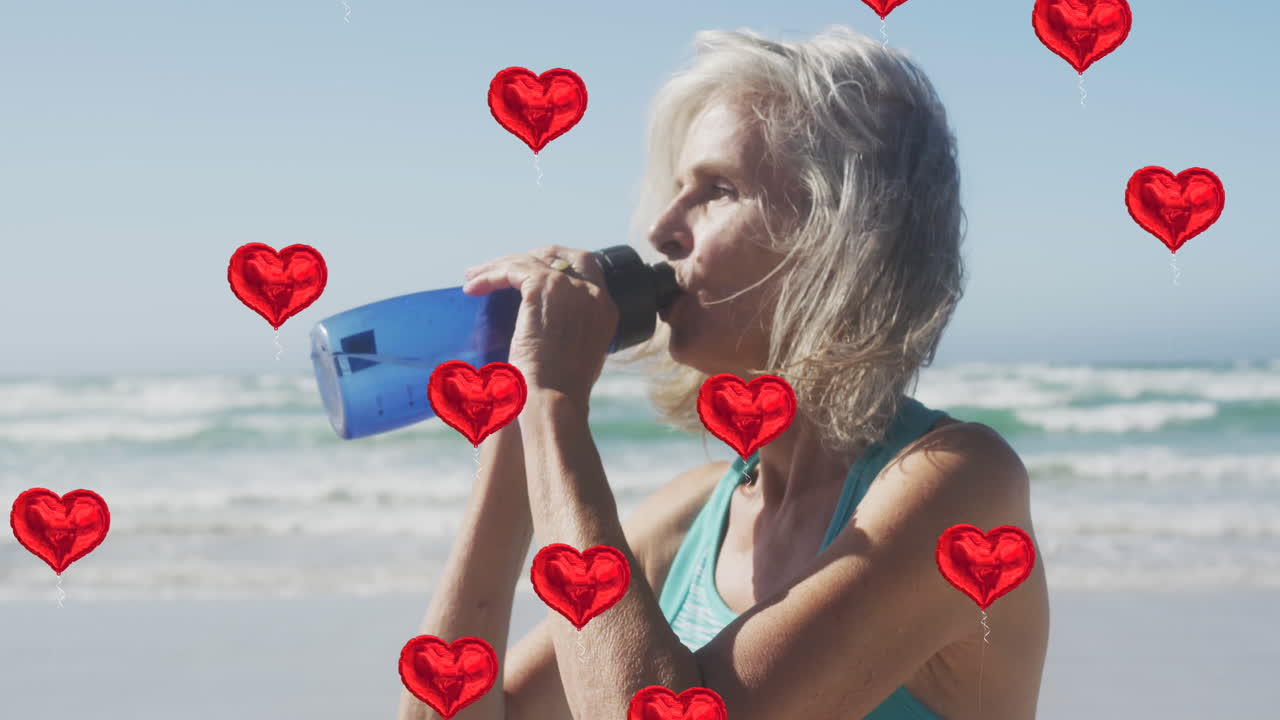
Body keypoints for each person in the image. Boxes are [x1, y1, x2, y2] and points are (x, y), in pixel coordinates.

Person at [398, 25, 1049, 720]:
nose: (662, 230)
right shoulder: (685, 524)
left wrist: (556, 406)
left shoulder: (959, 487)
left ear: (838, 236)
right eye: (678, 188)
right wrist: (514, 418)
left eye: (717, 189)